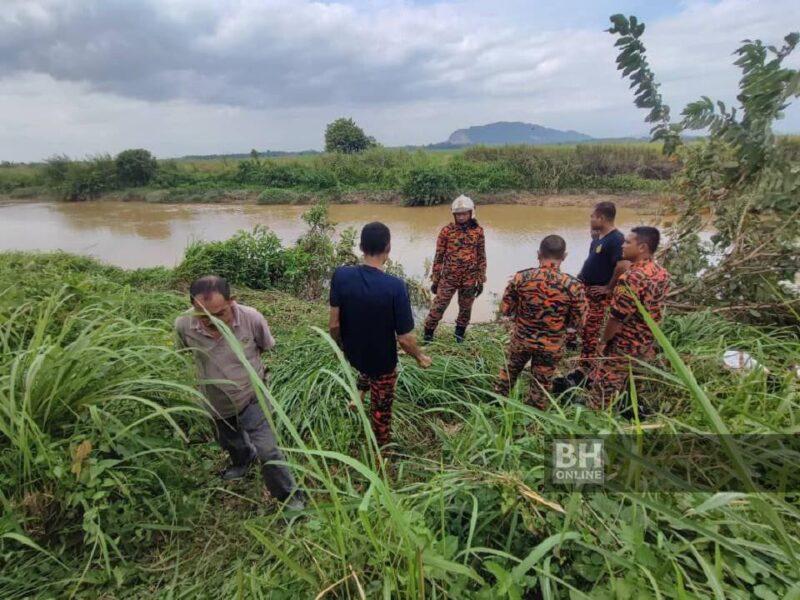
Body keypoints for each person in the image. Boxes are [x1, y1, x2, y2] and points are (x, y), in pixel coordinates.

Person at [174, 276, 304, 510]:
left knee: (268, 450)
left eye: (219, 313)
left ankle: (290, 497)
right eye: (204, 317)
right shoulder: (184, 324)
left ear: (232, 301)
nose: (212, 322)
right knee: (229, 439)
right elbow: (185, 351)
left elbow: (263, 347)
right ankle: (243, 461)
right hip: (215, 400)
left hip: (251, 395)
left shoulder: (251, 318)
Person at [329, 222, 432, 449]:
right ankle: (381, 452)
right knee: (381, 412)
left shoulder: (341, 275)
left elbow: (334, 324)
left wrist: (341, 347)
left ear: (361, 246)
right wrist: (420, 357)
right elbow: (404, 339)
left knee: (366, 364)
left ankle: (357, 397)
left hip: (354, 353)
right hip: (382, 363)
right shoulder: (395, 287)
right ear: (388, 248)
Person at [496, 235, 587, 408]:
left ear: (538, 254)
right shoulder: (573, 286)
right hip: (550, 345)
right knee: (541, 384)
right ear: (564, 256)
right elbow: (578, 322)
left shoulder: (521, 278)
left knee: (508, 373)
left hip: (521, 339)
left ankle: (495, 405)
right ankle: (532, 419)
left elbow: (506, 309)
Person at [589, 226, 670, 409]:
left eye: (627, 242)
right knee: (632, 383)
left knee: (604, 388)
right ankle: (628, 416)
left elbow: (617, 318)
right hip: (646, 341)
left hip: (625, 344)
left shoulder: (631, 278)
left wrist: (603, 341)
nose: (622, 246)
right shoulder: (661, 273)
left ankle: (595, 421)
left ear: (642, 248)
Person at [423, 195, 487, 343]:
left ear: (471, 213)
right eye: (458, 214)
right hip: (448, 278)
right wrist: (435, 279)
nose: (461, 217)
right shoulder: (446, 231)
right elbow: (439, 256)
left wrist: (481, 279)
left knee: (465, 310)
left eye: (464, 213)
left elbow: (481, 256)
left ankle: (459, 338)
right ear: (454, 214)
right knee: (438, 307)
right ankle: (427, 338)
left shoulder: (478, 231)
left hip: (469, 279)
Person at [575, 201, 628, 374]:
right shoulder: (600, 238)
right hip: (587, 288)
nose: (590, 219)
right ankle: (582, 356)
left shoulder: (616, 239)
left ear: (602, 218)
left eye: (593, 216)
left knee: (591, 328)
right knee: (582, 323)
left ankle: (586, 367)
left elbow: (622, 266)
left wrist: (608, 288)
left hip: (598, 292)